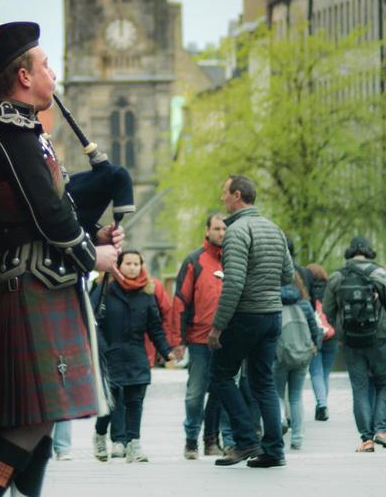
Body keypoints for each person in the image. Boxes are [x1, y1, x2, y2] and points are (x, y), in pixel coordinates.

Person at [0, 21, 121, 497]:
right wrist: (93, 256)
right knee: (33, 418)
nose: (53, 73)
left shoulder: (20, 132)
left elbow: (54, 206)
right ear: (25, 77)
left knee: (43, 419)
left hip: (40, 278)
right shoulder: (5, 135)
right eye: (46, 65)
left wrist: (94, 233)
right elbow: (47, 212)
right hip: (28, 281)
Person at [207, 174, 293, 468]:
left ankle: (245, 441)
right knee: (264, 383)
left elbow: (233, 285)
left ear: (238, 195)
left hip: (246, 316)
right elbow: (286, 275)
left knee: (220, 375)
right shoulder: (274, 229)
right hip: (272, 315)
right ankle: (274, 450)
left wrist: (217, 327)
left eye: (225, 192)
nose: (222, 198)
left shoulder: (237, 232)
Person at [92, 249, 172, 463]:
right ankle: (100, 435)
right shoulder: (105, 290)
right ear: (118, 265)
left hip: (137, 355)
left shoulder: (147, 294)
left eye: (136, 264)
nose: (133, 267)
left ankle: (133, 444)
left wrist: (167, 350)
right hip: (111, 355)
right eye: (128, 263)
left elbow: (155, 327)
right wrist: (102, 347)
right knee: (111, 403)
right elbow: (92, 321)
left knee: (135, 401)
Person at [170, 212, 234, 459]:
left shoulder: (234, 260)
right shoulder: (194, 261)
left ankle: (214, 440)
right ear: (207, 231)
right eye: (217, 229)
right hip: (198, 340)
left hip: (228, 341)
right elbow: (179, 302)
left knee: (223, 393)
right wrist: (177, 340)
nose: (221, 233)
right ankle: (191, 440)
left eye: (225, 229)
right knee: (195, 394)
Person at [322, 236, 386, 452]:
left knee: (359, 387)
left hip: (350, 341)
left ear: (350, 252)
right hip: (380, 338)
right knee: (384, 382)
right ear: (369, 252)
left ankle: (366, 439)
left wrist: (343, 329)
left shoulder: (337, 277)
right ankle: (381, 430)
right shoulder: (380, 274)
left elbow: (328, 311)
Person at [273, 270, 320, 451]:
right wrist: (315, 347)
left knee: (276, 393)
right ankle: (297, 439)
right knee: (296, 395)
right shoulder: (305, 304)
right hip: (302, 355)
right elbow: (314, 329)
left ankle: (280, 421)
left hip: (280, 355)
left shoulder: (273, 303)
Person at [306, 262, 338, 421]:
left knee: (316, 372)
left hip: (314, 334)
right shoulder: (330, 288)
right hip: (331, 334)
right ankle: (322, 404)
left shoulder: (306, 288)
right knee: (325, 373)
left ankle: (322, 404)